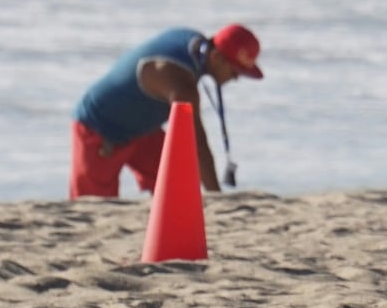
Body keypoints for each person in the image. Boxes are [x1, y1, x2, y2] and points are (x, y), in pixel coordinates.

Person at [70, 24, 264, 199]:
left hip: (141, 126)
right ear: (216, 57)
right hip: (100, 129)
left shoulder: (192, 40)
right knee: (97, 203)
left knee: (178, 179)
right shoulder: (181, 85)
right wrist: (216, 197)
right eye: (235, 71)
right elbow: (197, 144)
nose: (237, 78)